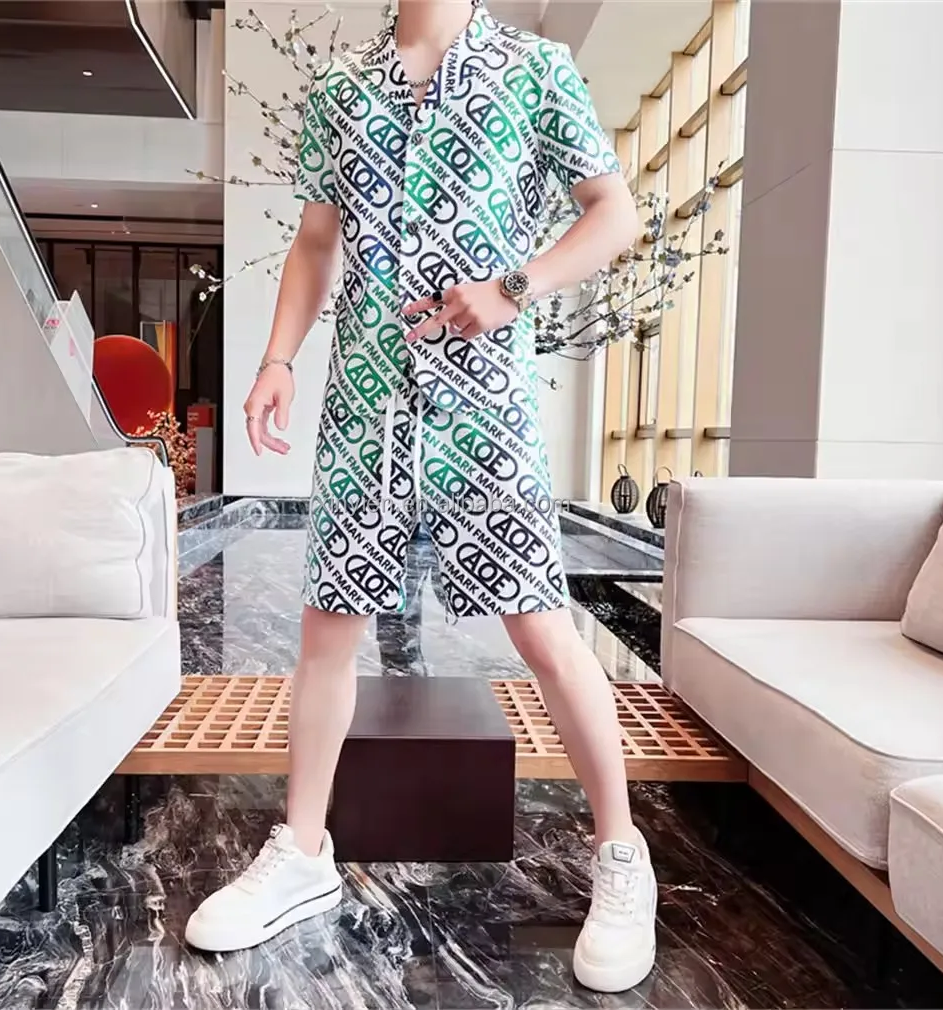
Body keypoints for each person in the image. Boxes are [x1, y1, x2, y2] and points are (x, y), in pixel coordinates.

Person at [186, 0, 655, 993]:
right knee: (327, 625)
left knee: (540, 626)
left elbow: (615, 213)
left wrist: (515, 287)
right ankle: (303, 848)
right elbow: (317, 242)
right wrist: (276, 358)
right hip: (366, 397)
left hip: (487, 406)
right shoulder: (341, 88)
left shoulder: (533, 70)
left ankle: (622, 853)